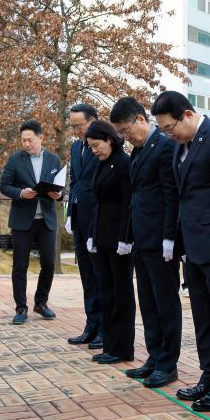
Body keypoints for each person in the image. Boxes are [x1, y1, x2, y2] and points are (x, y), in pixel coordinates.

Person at [151, 91, 210, 412]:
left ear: (188, 114)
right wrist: (176, 241)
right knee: (203, 317)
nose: (169, 135)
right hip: (193, 247)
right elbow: (183, 197)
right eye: (163, 130)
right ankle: (209, 374)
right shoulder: (182, 145)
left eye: (170, 127)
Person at [110, 97, 181, 388]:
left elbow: (170, 195)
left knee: (165, 303)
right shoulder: (138, 151)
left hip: (160, 240)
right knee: (148, 303)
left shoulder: (164, 146)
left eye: (126, 130)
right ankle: (155, 356)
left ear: (141, 119)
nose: (125, 137)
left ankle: (168, 363)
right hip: (142, 238)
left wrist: (169, 237)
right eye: (120, 134)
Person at [0, 120, 62, 325]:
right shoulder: (15, 160)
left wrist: (59, 195)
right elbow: (4, 186)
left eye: (30, 140)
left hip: (47, 221)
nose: (26, 144)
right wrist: (20, 193)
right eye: (23, 140)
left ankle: (41, 303)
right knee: (20, 265)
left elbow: (63, 188)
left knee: (49, 264)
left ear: (41, 138)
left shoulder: (54, 160)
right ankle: (21, 308)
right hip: (22, 222)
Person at [84, 120, 137, 364]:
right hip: (102, 237)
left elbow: (127, 202)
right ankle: (109, 344)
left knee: (121, 293)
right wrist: (92, 234)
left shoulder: (124, 162)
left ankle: (122, 348)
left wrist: (125, 237)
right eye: (91, 147)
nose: (94, 150)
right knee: (106, 291)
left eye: (97, 145)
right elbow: (96, 202)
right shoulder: (101, 164)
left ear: (109, 139)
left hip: (119, 240)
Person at [65, 103, 103, 349]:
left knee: (101, 276)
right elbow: (75, 182)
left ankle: (104, 329)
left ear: (93, 121)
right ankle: (91, 325)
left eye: (80, 126)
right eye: (73, 126)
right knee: (87, 276)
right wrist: (70, 212)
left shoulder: (103, 146)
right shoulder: (76, 147)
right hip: (79, 217)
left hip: (97, 219)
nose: (77, 131)